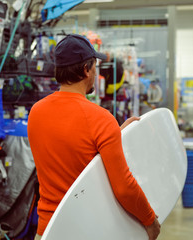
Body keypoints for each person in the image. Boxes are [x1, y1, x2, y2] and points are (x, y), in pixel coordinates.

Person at [27, 34, 160, 240]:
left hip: (47, 230)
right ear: (86, 69)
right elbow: (124, 188)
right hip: (86, 229)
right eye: (95, 65)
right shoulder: (100, 118)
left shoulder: (36, 112)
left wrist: (117, 134)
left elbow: (71, 152)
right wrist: (150, 220)